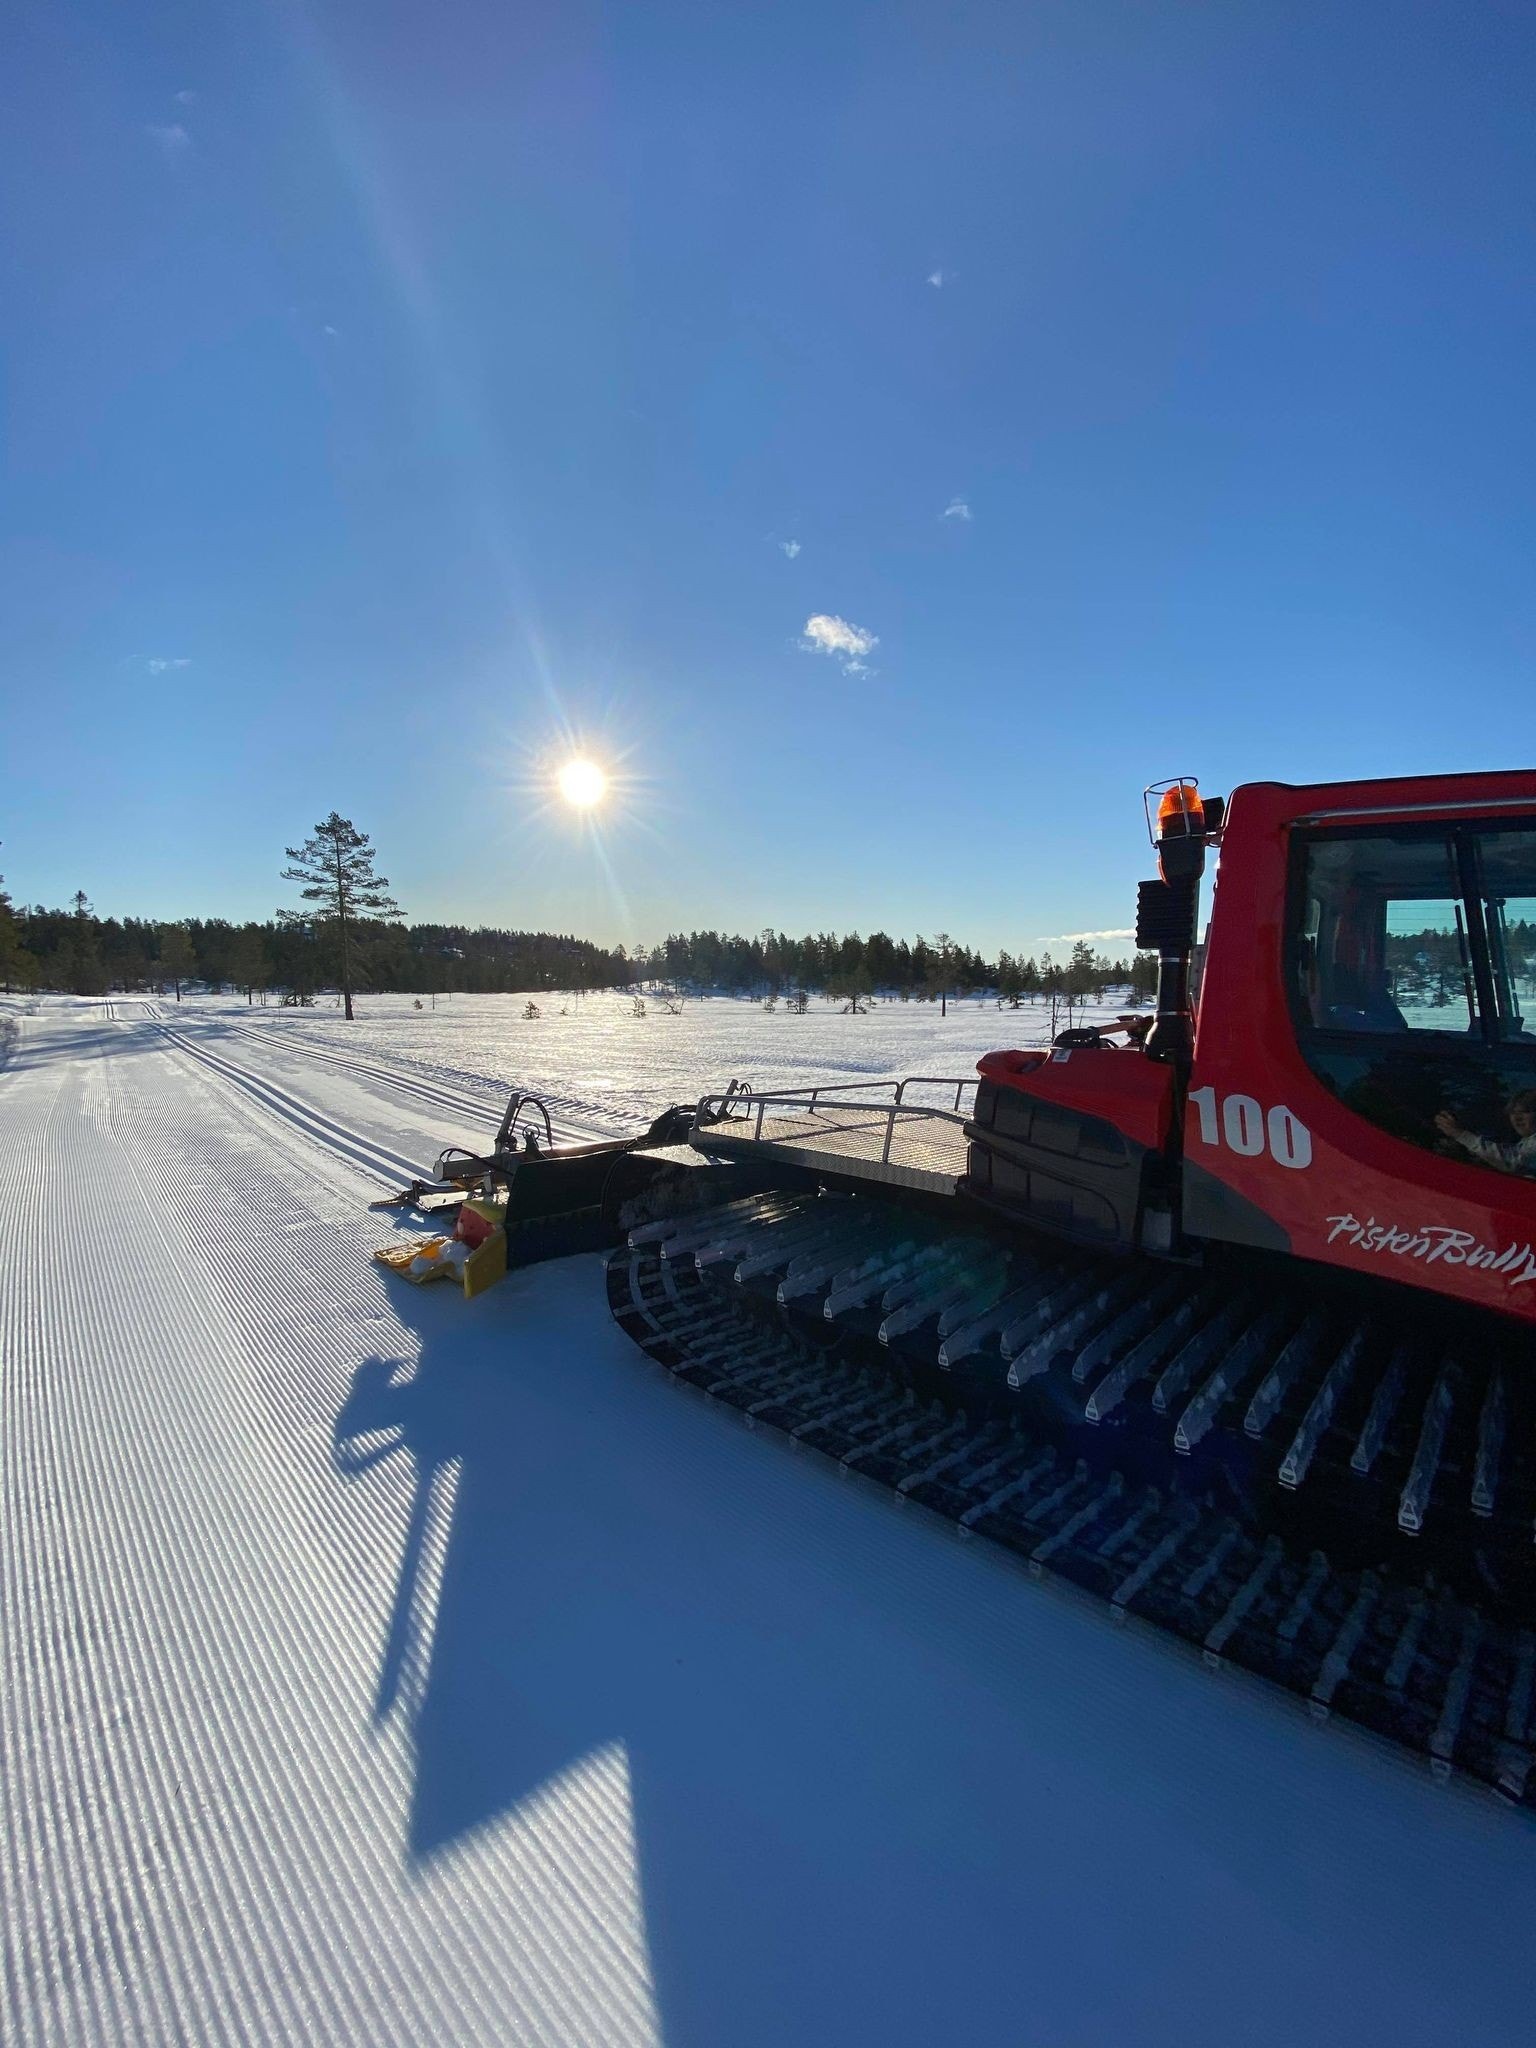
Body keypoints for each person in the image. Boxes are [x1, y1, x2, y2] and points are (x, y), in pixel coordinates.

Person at [1434, 1088, 1536, 1176]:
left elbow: (1512, 1161)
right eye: (1512, 1113)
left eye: (1525, 1112)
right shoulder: (1525, 1142)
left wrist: (1460, 1134)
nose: (1517, 1118)